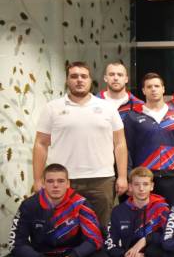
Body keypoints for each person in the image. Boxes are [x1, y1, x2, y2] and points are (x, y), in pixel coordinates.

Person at [33, 61, 127, 232]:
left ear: (90, 80)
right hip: (63, 181)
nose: (79, 80)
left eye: (84, 76)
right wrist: (38, 179)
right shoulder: (52, 108)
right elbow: (41, 144)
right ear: (67, 80)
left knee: (101, 231)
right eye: (74, 76)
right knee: (63, 231)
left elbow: (120, 144)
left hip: (102, 180)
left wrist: (122, 176)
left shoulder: (107, 108)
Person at [0, 164, 106, 257]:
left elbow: (94, 239)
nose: (55, 185)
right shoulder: (29, 205)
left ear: (68, 183)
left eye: (60, 181)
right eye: (50, 181)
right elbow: (17, 243)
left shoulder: (81, 203)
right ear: (43, 183)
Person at [103, 167, 168, 257]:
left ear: (152, 186)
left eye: (145, 184)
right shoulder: (118, 211)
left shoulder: (161, 208)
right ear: (130, 187)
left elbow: (169, 236)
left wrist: (146, 239)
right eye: (137, 184)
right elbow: (110, 242)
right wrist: (125, 255)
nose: (141, 188)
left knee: (157, 252)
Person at [124, 73, 174, 204]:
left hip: (171, 177)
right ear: (143, 91)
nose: (153, 89)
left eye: (157, 86)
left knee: (171, 214)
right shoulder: (133, 116)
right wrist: (128, 177)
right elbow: (127, 150)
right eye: (149, 87)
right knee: (144, 215)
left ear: (163, 89)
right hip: (143, 179)